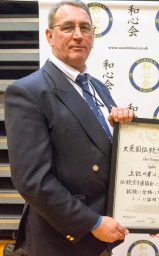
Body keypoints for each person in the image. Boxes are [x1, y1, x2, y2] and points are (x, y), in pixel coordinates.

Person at [4, 1, 133, 255]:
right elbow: (32, 180)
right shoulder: (28, 91)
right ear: (50, 36)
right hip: (61, 240)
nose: (78, 35)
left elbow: (100, 153)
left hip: (100, 238)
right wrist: (91, 223)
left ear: (93, 37)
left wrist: (123, 130)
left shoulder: (98, 88)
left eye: (85, 27)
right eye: (68, 27)